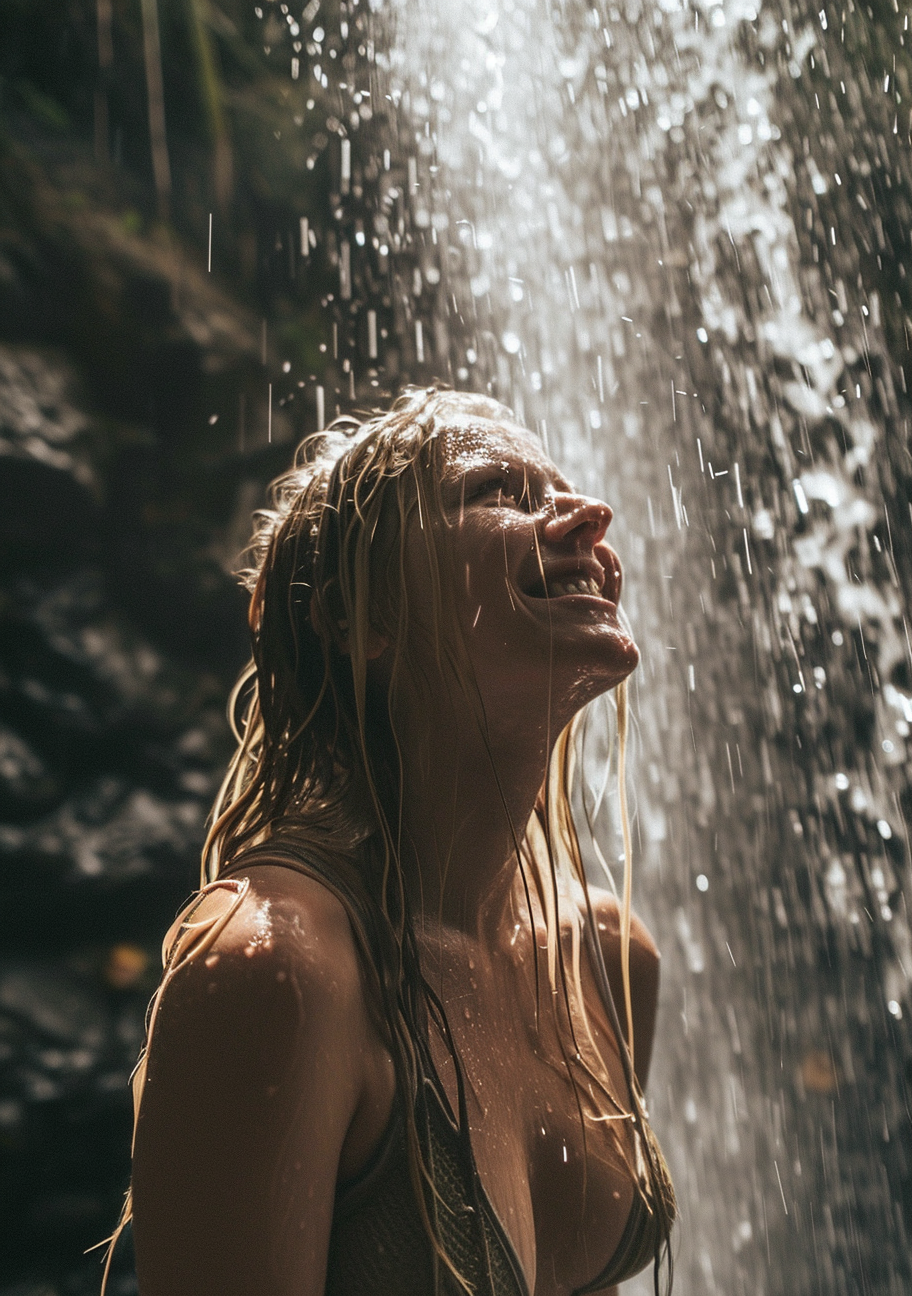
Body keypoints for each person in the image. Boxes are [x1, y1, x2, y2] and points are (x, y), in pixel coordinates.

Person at [107, 387, 675, 1296]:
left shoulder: (603, 962)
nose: (589, 519)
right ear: (356, 615)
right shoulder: (279, 969)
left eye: (566, 489)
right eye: (499, 490)